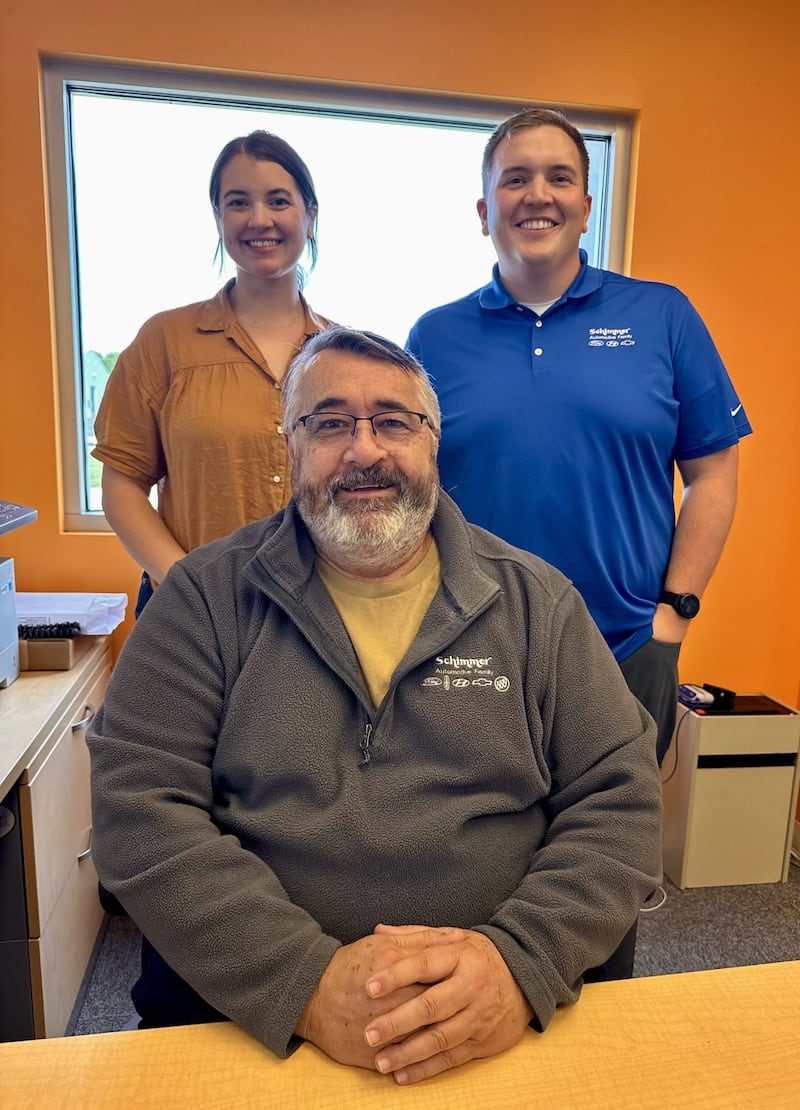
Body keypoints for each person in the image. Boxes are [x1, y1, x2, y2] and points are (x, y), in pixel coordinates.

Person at [88, 327, 662, 1087]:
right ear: (290, 446)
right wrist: (307, 985)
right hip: (253, 1019)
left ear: (432, 443)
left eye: (394, 421)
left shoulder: (538, 603)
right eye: (329, 423)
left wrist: (519, 962)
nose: (364, 450)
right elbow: (140, 808)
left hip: (506, 1018)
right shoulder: (202, 599)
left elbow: (620, 800)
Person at [407, 107, 752, 769]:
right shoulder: (433, 337)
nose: (538, 195)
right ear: (484, 211)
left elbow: (713, 474)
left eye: (559, 178)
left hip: (626, 645)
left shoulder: (662, 315)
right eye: (515, 179)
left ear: (586, 207)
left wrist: (673, 617)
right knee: (472, 826)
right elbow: (410, 493)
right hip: (470, 647)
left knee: (611, 827)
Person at [92, 130, 331, 616]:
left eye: (278, 200)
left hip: (313, 615)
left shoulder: (341, 355)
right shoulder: (163, 341)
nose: (259, 219)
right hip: (186, 614)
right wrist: (187, 584)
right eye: (238, 202)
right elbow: (121, 483)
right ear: (218, 219)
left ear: (309, 217)